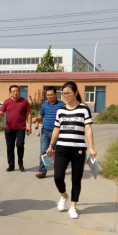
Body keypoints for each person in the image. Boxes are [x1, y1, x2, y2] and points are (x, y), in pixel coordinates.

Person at [46, 82, 97, 219]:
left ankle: (73, 207)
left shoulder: (84, 109)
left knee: (76, 179)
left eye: (68, 93)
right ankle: (64, 196)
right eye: (64, 93)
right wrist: (51, 145)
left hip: (78, 149)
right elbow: (56, 129)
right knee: (57, 177)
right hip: (61, 148)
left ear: (76, 92)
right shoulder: (60, 111)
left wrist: (91, 147)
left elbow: (88, 128)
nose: (66, 95)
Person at [34, 87, 65, 178]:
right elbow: (41, 116)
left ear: (55, 94)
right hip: (45, 131)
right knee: (44, 151)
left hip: (57, 132)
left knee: (57, 152)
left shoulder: (62, 105)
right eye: (47, 95)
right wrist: (37, 120)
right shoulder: (45, 105)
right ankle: (42, 171)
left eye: (51, 95)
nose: (49, 96)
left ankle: (58, 172)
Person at [0, 85, 32, 172]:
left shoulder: (24, 101)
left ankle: (20, 163)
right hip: (9, 128)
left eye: (17, 91)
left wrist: (29, 126)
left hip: (21, 128)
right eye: (13, 91)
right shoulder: (6, 102)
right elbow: (1, 112)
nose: (15, 93)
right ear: (10, 92)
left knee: (20, 145)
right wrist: (0, 113)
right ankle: (11, 165)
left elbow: (29, 113)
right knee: (10, 147)